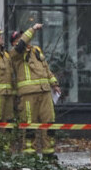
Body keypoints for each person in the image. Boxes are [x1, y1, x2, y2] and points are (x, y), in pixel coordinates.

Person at [11, 23, 61, 159]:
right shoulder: (16, 53)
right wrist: (32, 29)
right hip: (28, 94)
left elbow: (46, 69)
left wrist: (54, 84)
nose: (25, 39)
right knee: (29, 126)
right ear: (16, 42)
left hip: (44, 92)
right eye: (20, 38)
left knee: (49, 123)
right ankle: (29, 155)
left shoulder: (36, 50)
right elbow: (22, 43)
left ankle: (48, 153)